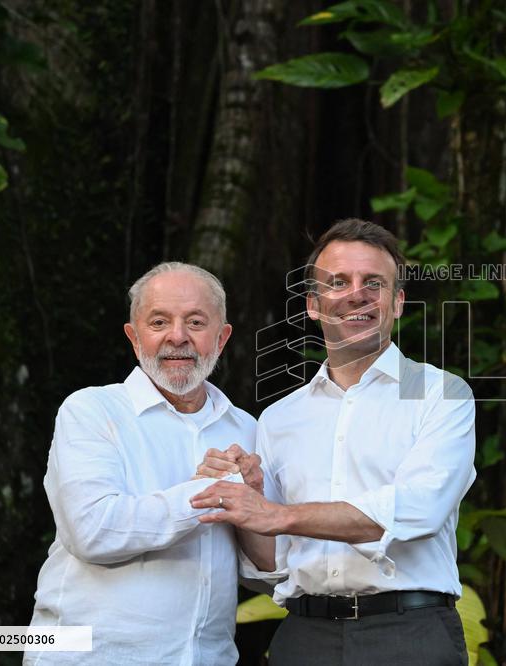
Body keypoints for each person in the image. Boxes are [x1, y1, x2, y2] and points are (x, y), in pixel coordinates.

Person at [191, 219, 476, 665]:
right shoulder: (279, 418)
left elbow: (418, 509)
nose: (356, 294)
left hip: (409, 636)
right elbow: (275, 561)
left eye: (374, 283)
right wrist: (245, 504)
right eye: (338, 282)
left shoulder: (442, 394)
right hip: (305, 638)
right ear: (313, 304)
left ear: (397, 302)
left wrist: (276, 513)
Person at [26, 262, 257, 665]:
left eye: (196, 322)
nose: (178, 337)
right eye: (159, 322)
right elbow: (94, 531)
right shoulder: (91, 410)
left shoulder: (248, 429)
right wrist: (207, 494)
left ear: (222, 338)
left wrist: (256, 505)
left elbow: (262, 570)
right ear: (134, 338)